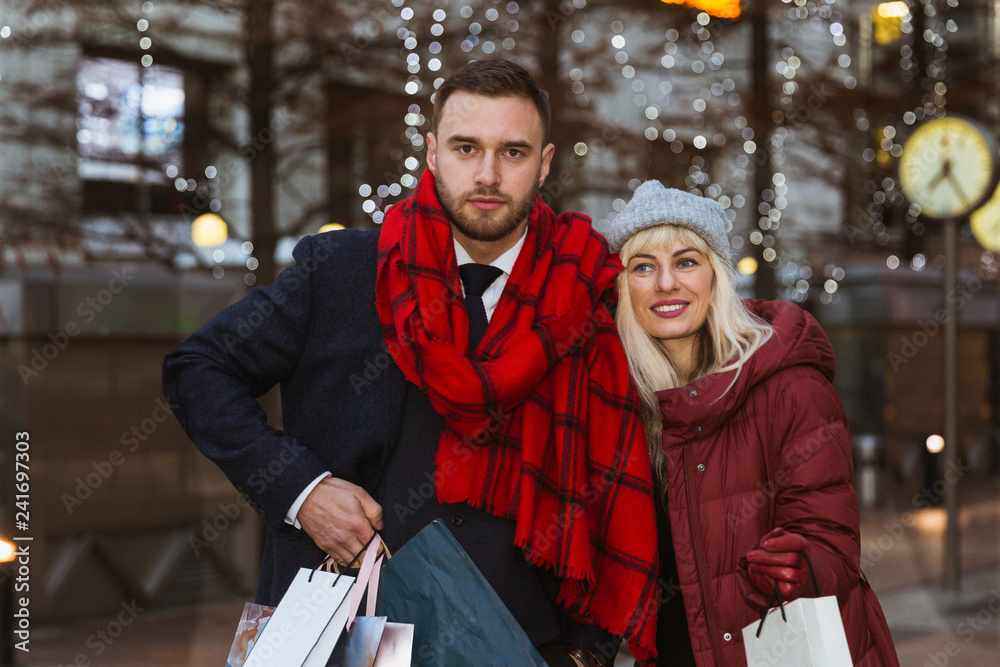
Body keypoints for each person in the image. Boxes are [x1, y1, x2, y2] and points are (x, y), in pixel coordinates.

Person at [162, 59, 658, 666]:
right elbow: (198, 368)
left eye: (513, 152)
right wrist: (302, 490)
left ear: (545, 163)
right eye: (466, 147)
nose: (487, 174)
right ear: (431, 152)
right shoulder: (342, 269)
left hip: (524, 645)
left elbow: (624, 478)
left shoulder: (588, 288)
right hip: (339, 631)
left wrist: (587, 650)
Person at [606, 181, 899, 666]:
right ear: (624, 286)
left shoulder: (790, 387)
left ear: (716, 275)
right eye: (643, 267)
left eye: (686, 261)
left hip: (784, 650)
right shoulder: (622, 401)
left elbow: (833, 545)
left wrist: (798, 561)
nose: (665, 284)